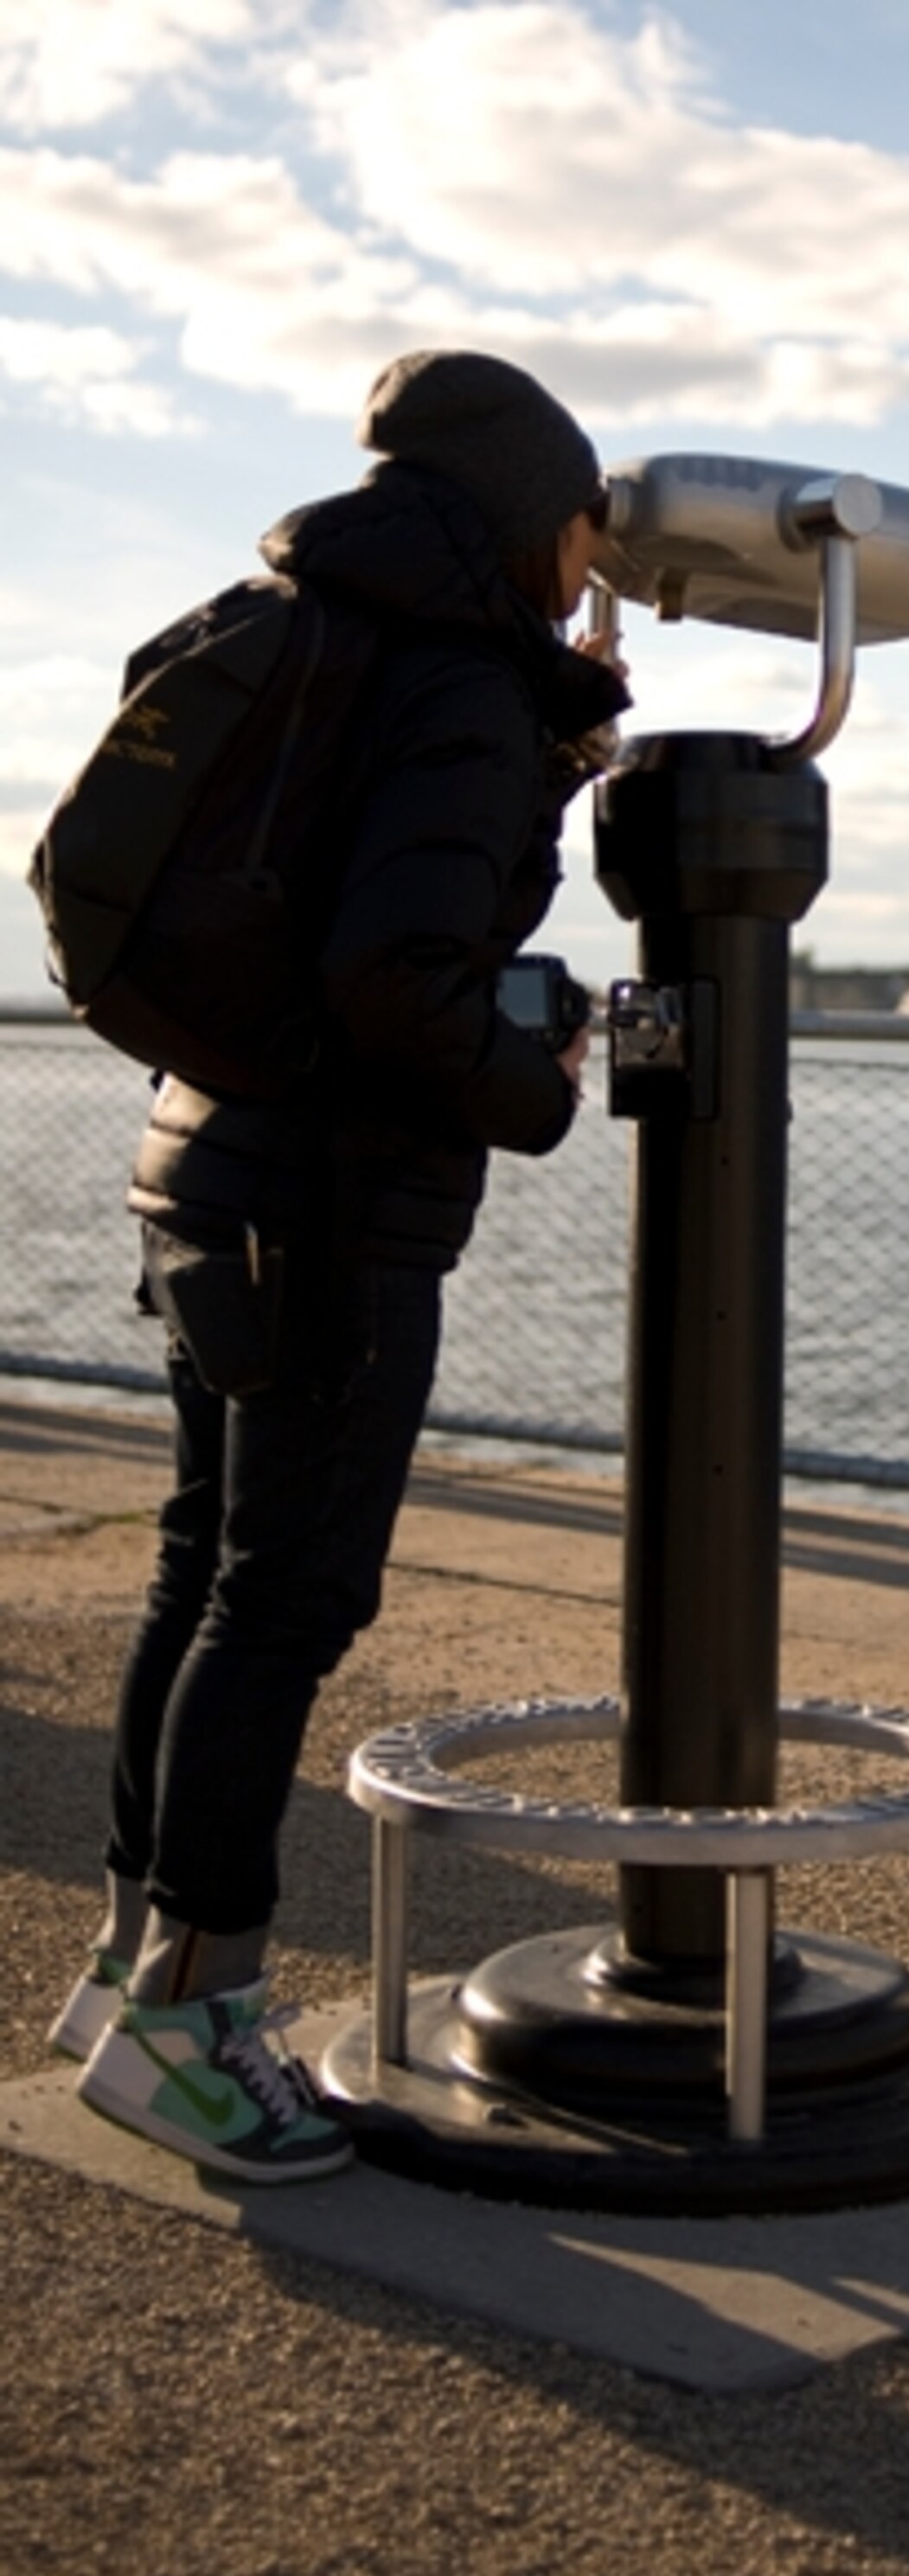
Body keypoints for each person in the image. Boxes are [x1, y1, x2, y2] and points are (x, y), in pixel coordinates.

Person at [47, 350, 629, 2182]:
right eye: (586, 537)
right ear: (537, 521)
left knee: (199, 1572)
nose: (594, 571)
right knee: (284, 1604)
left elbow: (319, 900)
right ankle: (194, 2021)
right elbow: (399, 974)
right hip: (327, 1202)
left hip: (202, 1155)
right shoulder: (448, 678)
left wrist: (537, 758)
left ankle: (130, 1962)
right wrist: (530, 1083)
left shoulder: (312, 618)